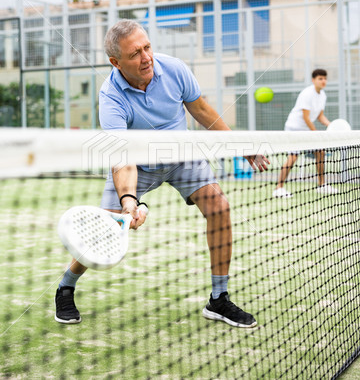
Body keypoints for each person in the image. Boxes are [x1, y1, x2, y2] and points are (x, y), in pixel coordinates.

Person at [55, 19, 269, 328]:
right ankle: (66, 286)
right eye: (135, 54)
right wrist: (129, 202)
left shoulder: (174, 69)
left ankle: (219, 299)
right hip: (136, 164)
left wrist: (239, 145)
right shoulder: (111, 98)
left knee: (219, 206)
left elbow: (203, 111)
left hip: (180, 154)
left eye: (147, 47)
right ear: (116, 62)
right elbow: (122, 157)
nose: (146, 58)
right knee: (104, 231)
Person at [273, 68, 338, 198]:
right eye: (320, 78)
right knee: (293, 157)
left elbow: (320, 116)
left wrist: (332, 126)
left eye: (325, 78)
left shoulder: (323, 95)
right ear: (313, 80)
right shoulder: (307, 93)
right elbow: (306, 117)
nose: (323, 81)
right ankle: (278, 188)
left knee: (320, 152)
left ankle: (322, 185)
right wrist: (316, 133)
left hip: (307, 129)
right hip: (294, 128)